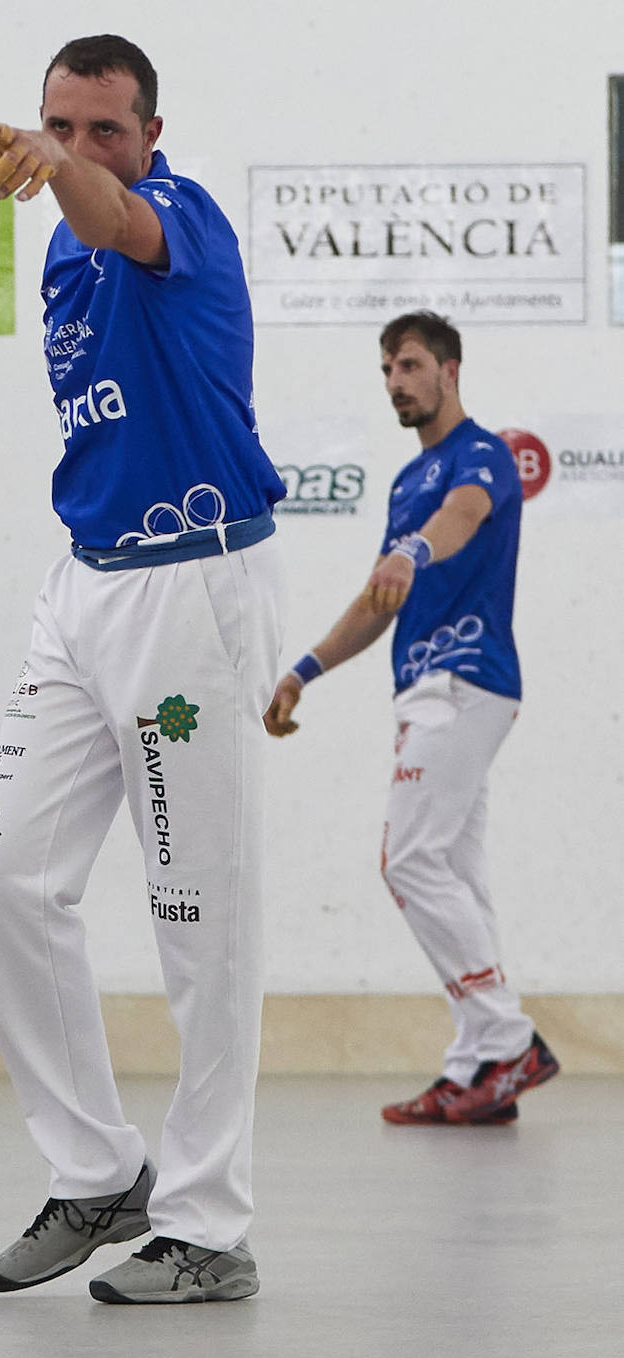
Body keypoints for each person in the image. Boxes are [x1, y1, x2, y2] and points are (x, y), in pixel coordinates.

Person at [0, 34, 287, 1303]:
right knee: (2, 876)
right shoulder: (58, 252)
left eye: (104, 129)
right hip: (81, 585)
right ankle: (98, 1174)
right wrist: (56, 177)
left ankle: (210, 1228)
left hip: (192, 587)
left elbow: (116, 218)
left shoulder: (178, 217)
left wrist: (59, 168)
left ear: (148, 136)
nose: (78, 148)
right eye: (58, 124)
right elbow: (79, 218)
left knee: (198, 919)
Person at [264, 311, 559, 1127]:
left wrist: (413, 551)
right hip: (423, 690)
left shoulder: (482, 456)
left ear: (449, 370)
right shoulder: (403, 485)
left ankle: (509, 1039)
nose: (396, 381)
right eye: (387, 370)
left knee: (408, 861)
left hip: (466, 682)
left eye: (409, 365)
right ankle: (477, 1067)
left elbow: (460, 519)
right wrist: (304, 669)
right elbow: (378, 600)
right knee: (456, 877)